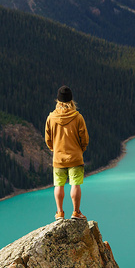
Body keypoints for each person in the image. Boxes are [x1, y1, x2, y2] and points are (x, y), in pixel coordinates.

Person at [45, 86, 89, 221]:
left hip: (58, 158)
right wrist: (80, 149)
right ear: (71, 101)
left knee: (59, 185)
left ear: (58, 101)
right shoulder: (77, 117)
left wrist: (55, 150)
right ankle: (76, 212)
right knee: (75, 184)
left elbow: (48, 139)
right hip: (75, 157)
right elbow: (84, 138)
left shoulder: (51, 118)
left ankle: (59, 213)